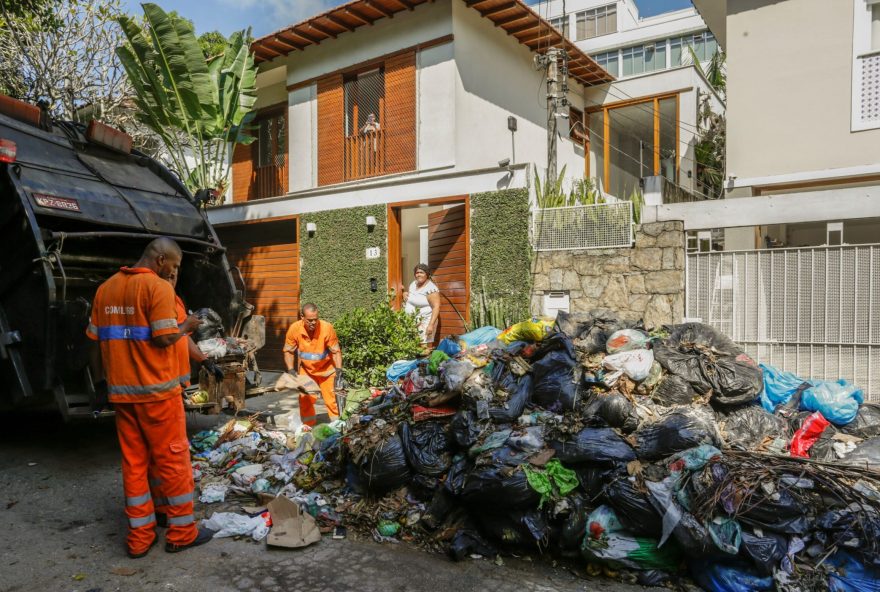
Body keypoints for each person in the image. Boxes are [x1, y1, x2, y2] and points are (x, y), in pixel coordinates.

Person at [87, 237, 214, 558]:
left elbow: (93, 341)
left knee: (135, 464)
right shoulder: (158, 289)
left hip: (123, 395)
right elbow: (164, 339)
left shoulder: (106, 289)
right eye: (175, 265)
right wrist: (187, 325)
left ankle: (140, 538)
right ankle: (182, 532)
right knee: (173, 461)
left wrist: (101, 384)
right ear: (160, 260)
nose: (175, 272)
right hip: (158, 394)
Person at [283, 303, 344, 426]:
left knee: (332, 400)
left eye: (315, 319)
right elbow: (288, 351)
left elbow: (336, 351)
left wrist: (339, 370)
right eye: (310, 320)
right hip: (307, 371)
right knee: (305, 399)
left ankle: (337, 427)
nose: (313, 323)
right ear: (302, 317)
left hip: (327, 371)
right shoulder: (294, 329)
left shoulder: (327, 328)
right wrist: (290, 369)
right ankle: (308, 427)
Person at [403, 263, 441, 345]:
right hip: (413, 321)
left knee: (423, 347)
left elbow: (436, 307)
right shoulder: (413, 284)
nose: (419, 275)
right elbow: (412, 296)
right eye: (417, 273)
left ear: (427, 274)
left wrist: (431, 325)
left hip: (426, 322)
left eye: (421, 272)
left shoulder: (431, 289)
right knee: (414, 345)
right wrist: (405, 294)